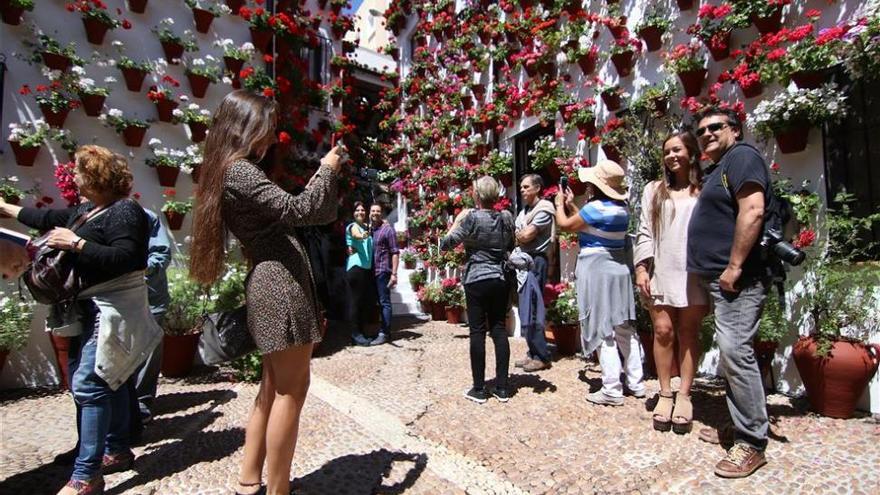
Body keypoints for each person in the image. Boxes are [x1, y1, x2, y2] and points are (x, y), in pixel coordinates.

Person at [189, 90, 344, 495]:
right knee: (292, 391)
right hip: (280, 286)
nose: (272, 137)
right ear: (244, 126)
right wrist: (326, 169)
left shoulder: (228, 170)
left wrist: (323, 179)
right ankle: (279, 490)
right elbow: (298, 211)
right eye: (266, 128)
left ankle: (248, 478)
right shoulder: (239, 170)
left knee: (272, 388)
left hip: (270, 281)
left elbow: (307, 211)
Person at [1, 145, 160, 495]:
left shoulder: (125, 211)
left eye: (78, 171)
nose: (72, 176)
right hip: (85, 309)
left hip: (112, 308)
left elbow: (129, 258)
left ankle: (87, 475)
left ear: (96, 176)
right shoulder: (89, 210)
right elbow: (44, 218)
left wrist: (77, 245)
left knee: (90, 384)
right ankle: (115, 449)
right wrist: (5, 208)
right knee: (108, 379)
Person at [687, 106, 770, 478]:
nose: (706, 134)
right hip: (722, 280)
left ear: (736, 129)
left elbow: (752, 210)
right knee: (731, 353)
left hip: (740, 278)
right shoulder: (720, 167)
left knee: (737, 351)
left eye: (715, 127)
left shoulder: (742, 157)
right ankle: (740, 429)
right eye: (701, 130)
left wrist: (734, 266)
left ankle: (751, 443)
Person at [634, 132, 709, 434]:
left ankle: (685, 395)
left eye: (677, 149)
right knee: (663, 331)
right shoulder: (654, 190)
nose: (671, 156)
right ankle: (665, 392)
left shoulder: (704, 190)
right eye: (666, 151)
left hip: (693, 272)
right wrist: (641, 268)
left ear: (691, 153)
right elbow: (643, 231)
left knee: (688, 332)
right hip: (662, 269)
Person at [554, 160, 645, 406]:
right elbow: (590, 228)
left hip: (597, 270)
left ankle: (612, 388)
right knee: (624, 326)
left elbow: (565, 225)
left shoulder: (594, 209)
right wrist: (573, 205)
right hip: (618, 271)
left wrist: (558, 206)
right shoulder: (621, 209)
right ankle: (636, 383)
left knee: (603, 328)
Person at [440, 176, 515, 403]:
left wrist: (456, 221)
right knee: (499, 330)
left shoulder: (471, 218)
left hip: (476, 279)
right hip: (500, 277)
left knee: (477, 332)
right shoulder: (505, 218)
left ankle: (479, 389)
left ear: (477, 195)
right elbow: (511, 245)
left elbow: (446, 244)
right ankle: (502, 388)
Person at [130, 208, 172, 427]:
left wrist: (142, 269)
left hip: (149, 296)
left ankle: (141, 403)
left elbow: (162, 252)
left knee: (148, 352)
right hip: (112, 301)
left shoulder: (145, 216)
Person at [514, 174, 555, 372]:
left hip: (536, 261)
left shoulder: (544, 209)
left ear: (538, 188)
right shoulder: (526, 210)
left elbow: (527, 234)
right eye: (521, 187)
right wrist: (520, 236)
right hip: (525, 261)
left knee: (533, 306)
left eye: (526, 186)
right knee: (525, 307)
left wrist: (519, 236)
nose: (522, 190)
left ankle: (542, 355)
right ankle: (532, 351)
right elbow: (521, 235)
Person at [368, 203, 399, 346]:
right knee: (378, 303)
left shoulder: (388, 230)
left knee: (384, 302)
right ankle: (382, 330)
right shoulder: (370, 229)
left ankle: (385, 333)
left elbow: (395, 252)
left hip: (382, 271)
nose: (375, 213)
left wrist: (394, 273)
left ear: (382, 213)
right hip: (371, 271)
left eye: (378, 211)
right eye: (373, 211)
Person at [346, 201, 375, 346]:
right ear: (353, 213)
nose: (360, 212)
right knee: (355, 302)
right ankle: (355, 334)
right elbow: (356, 236)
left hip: (365, 268)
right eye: (357, 210)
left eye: (363, 210)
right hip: (356, 267)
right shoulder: (353, 227)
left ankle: (361, 332)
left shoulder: (366, 227)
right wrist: (364, 234)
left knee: (363, 301)